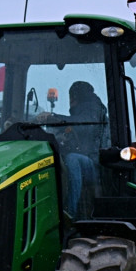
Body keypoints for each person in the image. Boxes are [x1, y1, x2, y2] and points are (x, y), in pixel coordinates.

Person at [38, 80, 105, 217]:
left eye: (70, 97)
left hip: (97, 164)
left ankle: (70, 212)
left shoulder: (92, 110)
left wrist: (53, 118)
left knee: (72, 159)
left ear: (76, 97)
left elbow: (83, 126)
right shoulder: (81, 113)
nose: (69, 101)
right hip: (85, 158)